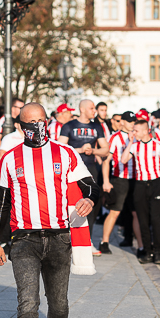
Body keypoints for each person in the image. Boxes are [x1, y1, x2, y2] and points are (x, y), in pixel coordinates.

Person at [0, 103, 99, 318]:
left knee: (59, 304)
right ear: (20, 127)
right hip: (24, 239)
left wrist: (89, 199)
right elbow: (1, 203)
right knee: (28, 303)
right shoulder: (10, 159)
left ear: (47, 122)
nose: (37, 126)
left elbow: (89, 184)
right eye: (30, 122)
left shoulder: (65, 153)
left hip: (59, 237)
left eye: (41, 121)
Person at [121, 118, 160, 264]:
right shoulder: (135, 146)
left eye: (136, 130)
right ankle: (147, 251)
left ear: (144, 130)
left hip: (155, 183)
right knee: (143, 220)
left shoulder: (159, 146)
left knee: (156, 220)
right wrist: (130, 142)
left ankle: (157, 252)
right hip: (140, 185)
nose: (133, 132)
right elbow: (123, 160)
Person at [58, 99, 109, 239]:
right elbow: (59, 149)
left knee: (90, 203)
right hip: (71, 170)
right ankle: (66, 236)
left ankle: (88, 238)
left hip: (90, 168)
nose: (95, 111)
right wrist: (79, 150)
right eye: (92, 108)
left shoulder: (97, 127)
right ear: (82, 109)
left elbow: (105, 150)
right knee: (68, 202)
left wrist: (92, 151)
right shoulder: (69, 126)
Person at [102, 111, 141, 253]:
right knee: (115, 211)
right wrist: (106, 181)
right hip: (119, 178)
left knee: (135, 212)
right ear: (122, 122)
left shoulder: (137, 135)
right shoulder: (115, 137)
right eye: (130, 121)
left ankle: (137, 243)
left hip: (136, 178)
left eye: (134, 121)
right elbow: (106, 161)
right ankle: (104, 241)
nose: (132, 124)